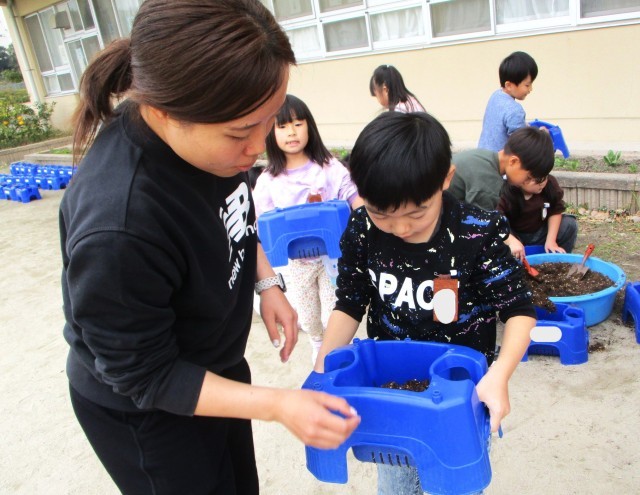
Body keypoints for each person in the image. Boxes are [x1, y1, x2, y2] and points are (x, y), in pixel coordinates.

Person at [60, 2, 359, 494]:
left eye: (267, 121)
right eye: (242, 132)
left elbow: (236, 215)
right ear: (163, 111)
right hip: (150, 410)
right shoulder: (120, 225)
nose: (257, 147)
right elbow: (146, 375)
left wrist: (266, 282)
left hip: (214, 366)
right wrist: (278, 404)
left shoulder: (215, 142)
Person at [313, 111, 536, 495]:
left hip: (459, 389)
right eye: (382, 213)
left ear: (445, 179)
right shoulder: (362, 229)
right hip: (393, 389)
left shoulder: (475, 233)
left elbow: (518, 310)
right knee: (397, 482)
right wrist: (322, 373)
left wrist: (499, 376)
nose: (400, 228)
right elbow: (350, 302)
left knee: (458, 481)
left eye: (417, 213)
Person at [253, 94, 363, 363]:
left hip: (332, 260)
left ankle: (335, 352)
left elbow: (354, 198)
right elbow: (259, 224)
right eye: (282, 126)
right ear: (270, 132)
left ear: (309, 127)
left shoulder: (329, 168)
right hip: (297, 265)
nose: (291, 132)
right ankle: (317, 343)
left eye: (298, 124)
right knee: (309, 317)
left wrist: (365, 225)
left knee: (333, 314)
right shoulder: (268, 181)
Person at [448, 126, 555, 260]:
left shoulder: (484, 157)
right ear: (513, 161)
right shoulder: (487, 182)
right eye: (528, 177)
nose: (526, 182)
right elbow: (482, 223)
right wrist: (510, 240)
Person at [498, 174, 578, 254]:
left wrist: (551, 240)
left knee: (569, 224)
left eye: (545, 178)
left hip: (540, 233)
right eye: (538, 181)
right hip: (514, 235)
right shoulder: (503, 191)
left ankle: (559, 256)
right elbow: (496, 221)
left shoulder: (549, 184)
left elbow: (555, 210)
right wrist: (511, 241)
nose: (542, 183)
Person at [478, 51, 538, 152]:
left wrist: (525, 126)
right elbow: (521, 143)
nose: (530, 89)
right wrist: (540, 135)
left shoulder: (496, 96)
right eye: (527, 85)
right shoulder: (515, 110)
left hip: (483, 154)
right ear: (509, 85)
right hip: (498, 160)